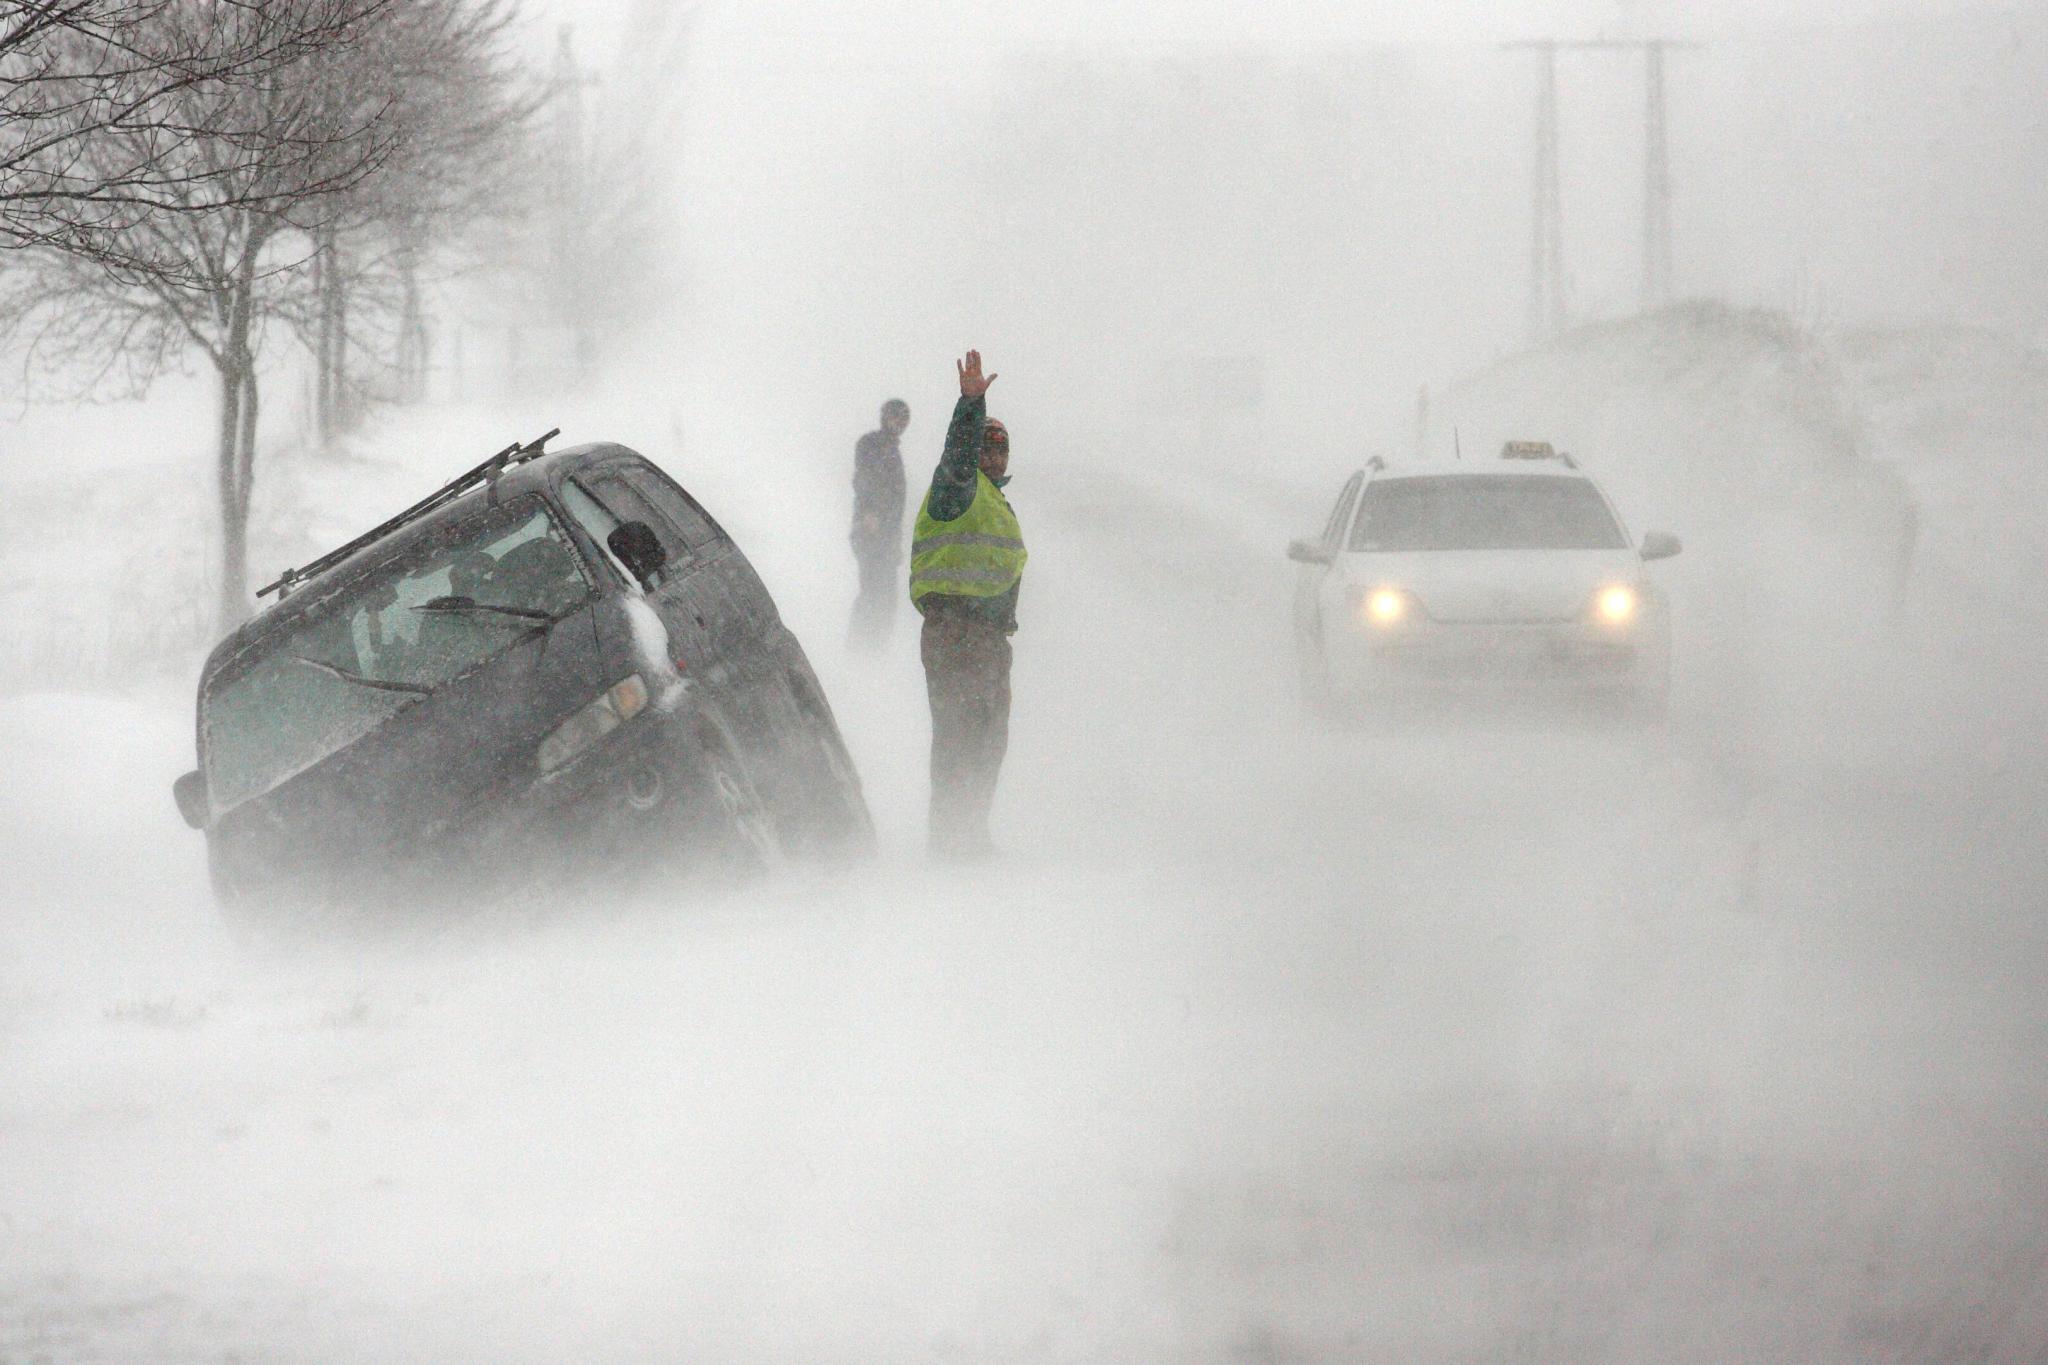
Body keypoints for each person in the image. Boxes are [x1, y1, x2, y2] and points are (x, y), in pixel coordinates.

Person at [909, 350, 1027, 858]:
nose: (994, 457)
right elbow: (957, 453)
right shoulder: (956, 487)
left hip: (986, 638)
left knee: (987, 741)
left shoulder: (994, 499)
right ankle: (951, 839)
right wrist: (970, 407)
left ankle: (969, 830)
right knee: (960, 738)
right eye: (986, 448)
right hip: (956, 632)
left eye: (1001, 450)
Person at [848, 398, 911, 649]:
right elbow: (863, 479)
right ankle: (862, 650)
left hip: (885, 538)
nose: (900, 423)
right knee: (874, 593)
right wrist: (868, 513)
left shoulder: (892, 451)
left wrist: (894, 541)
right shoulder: (872, 443)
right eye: (896, 416)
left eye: (904, 418)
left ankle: (874, 649)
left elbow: (895, 503)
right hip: (871, 533)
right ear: (885, 416)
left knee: (884, 596)